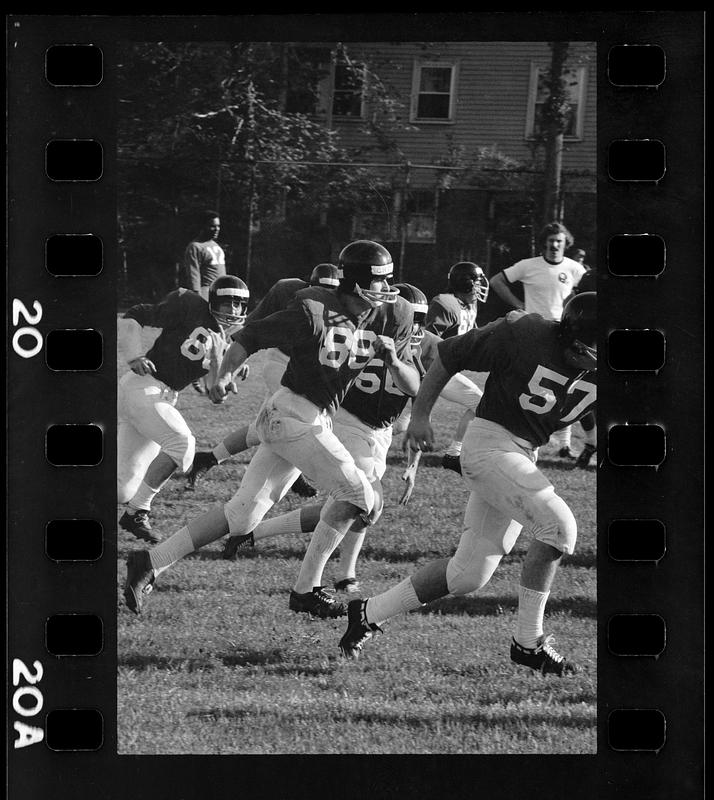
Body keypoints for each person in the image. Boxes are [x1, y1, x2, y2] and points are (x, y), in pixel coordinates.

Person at [123, 240, 419, 619]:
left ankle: (150, 561)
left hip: (302, 415)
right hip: (294, 413)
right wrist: (226, 372)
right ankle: (306, 589)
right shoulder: (313, 308)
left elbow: (413, 385)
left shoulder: (390, 316)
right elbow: (250, 337)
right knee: (361, 497)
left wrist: (394, 359)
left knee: (242, 515)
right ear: (359, 281)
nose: (387, 288)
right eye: (380, 280)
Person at [338, 292, 597, 678]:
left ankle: (368, 613)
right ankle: (529, 642)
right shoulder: (522, 331)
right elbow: (447, 355)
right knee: (558, 528)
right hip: (490, 442)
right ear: (570, 338)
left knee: (468, 575)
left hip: (525, 452)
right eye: (590, 352)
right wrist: (422, 415)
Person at [222, 283, 432, 594]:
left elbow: (420, 396)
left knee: (360, 505)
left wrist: (413, 462)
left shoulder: (414, 348)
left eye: (419, 322)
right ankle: (328, 580)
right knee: (363, 501)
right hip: (346, 422)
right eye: (409, 320)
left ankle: (253, 534)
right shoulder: (363, 335)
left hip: (380, 433)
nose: (413, 328)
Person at [185, 263, 341, 498]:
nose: (324, 297)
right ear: (309, 286)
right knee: (298, 420)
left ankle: (208, 458)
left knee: (265, 426)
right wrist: (233, 364)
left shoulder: (345, 305)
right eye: (320, 290)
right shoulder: (287, 290)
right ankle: (296, 475)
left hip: (308, 369)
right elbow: (251, 327)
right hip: (282, 361)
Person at [116, 275, 250, 543]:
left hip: (161, 397)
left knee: (122, 489)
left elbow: (214, 392)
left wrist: (225, 381)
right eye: (227, 303)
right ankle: (137, 513)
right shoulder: (188, 304)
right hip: (143, 387)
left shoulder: (224, 339)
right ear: (213, 300)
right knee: (182, 444)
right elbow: (134, 315)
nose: (233, 310)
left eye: (239, 304)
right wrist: (133, 355)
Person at [489, 221, 586, 458]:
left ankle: (564, 445)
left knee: (565, 385)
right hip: (534, 332)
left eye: (559, 241)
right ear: (544, 243)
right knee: (529, 382)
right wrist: (518, 304)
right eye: (551, 241)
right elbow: (496, 281)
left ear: (566, 244)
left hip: (565, 334)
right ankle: (520, 437)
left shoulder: (575, 269)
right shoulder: (528, 265)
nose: (554, 245)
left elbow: (586, 294)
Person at [425, 261, 489, 473]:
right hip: (433, 369)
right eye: (478, 282)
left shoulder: (469, 303)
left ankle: (455, 453)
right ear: (466, 283)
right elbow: (426, 338)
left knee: (400, 422)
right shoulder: (445, 303)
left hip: (446, 369)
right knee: (480, 403)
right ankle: (454, 454)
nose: (481, 287)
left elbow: (472, 332)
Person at [179, 211, 226, 301]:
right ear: (203, 226)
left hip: (221, 293)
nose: (217, 229)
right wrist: (197, 298)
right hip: (206, 293)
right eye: (212, 226)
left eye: (218, 226)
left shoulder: (216, 246)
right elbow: (193, 276)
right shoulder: (195, 247)